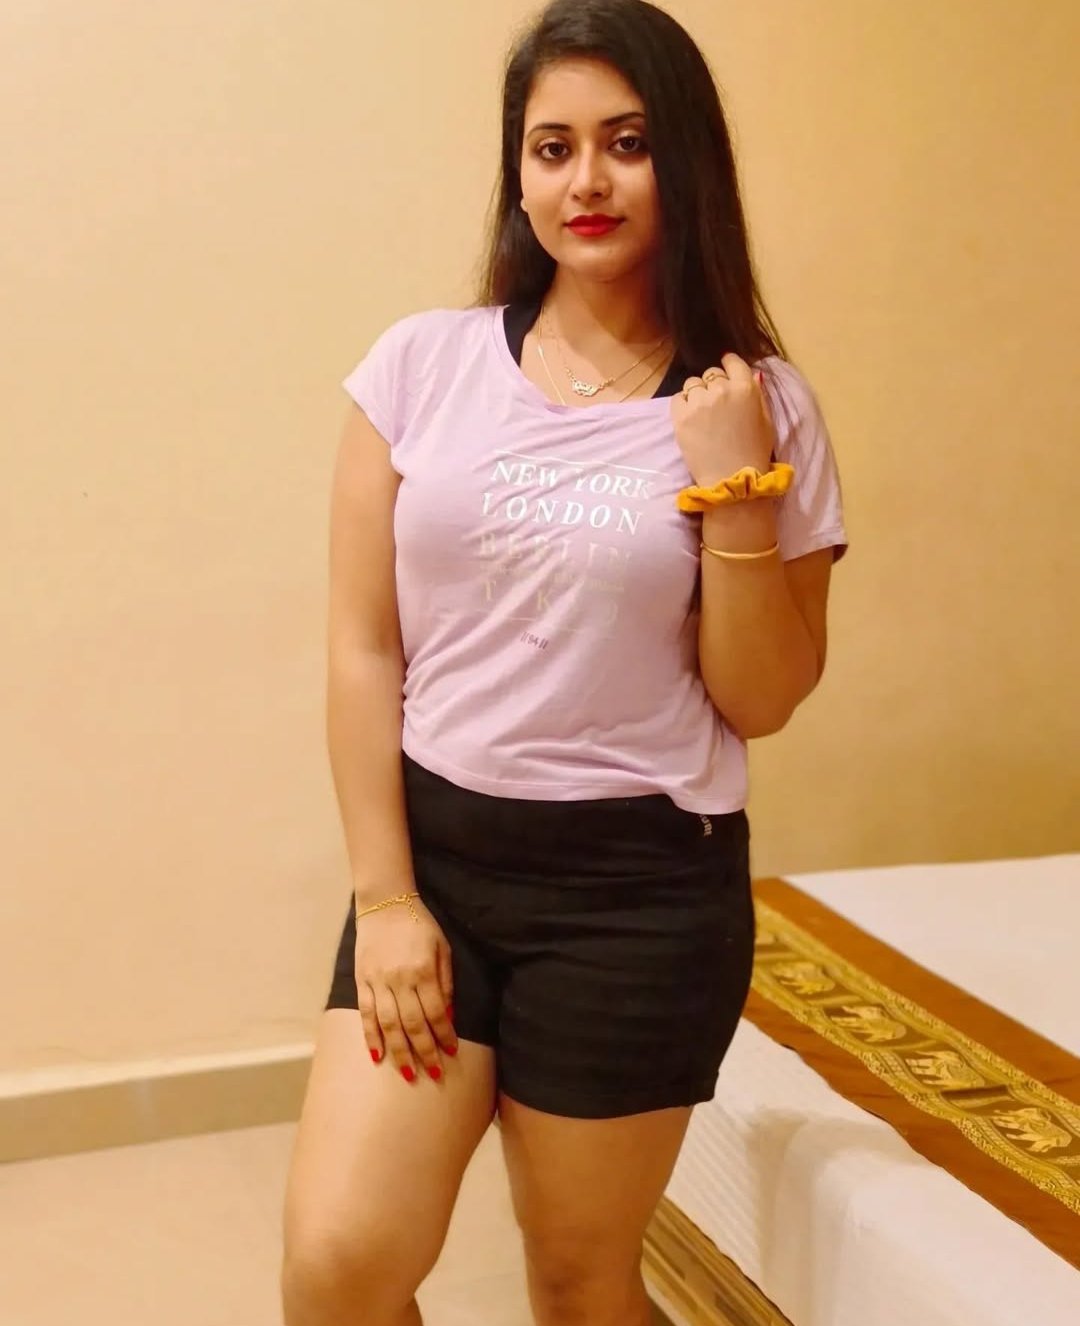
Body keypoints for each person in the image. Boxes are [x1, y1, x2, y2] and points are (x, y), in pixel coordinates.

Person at [281, 1, 847, 1323]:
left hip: (637, 896)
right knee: (340, 1267)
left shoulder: (761, 403)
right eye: (553, 147)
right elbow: (364, 647)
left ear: (685, 162)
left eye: (626, 143)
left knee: (581, 1282)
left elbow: (761, 697)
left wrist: (736, 495)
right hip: (436, 869)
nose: (586, 180)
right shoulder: (419, 366)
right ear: (519, 173)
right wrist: (387, 899)